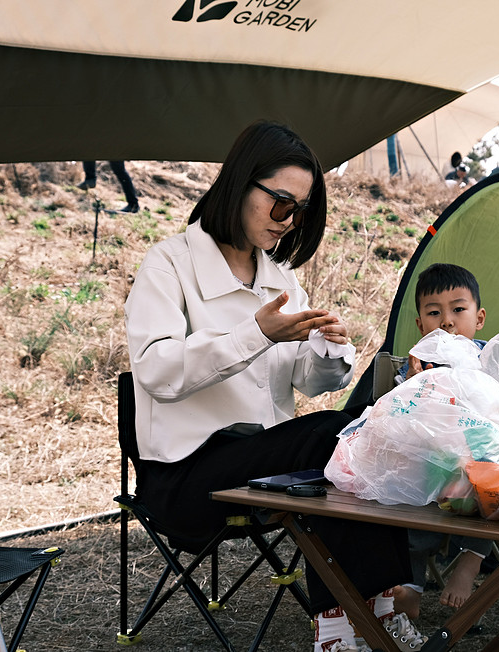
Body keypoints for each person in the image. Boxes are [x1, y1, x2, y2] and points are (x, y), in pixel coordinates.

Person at [124, 120, 426, 652]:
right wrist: (255, 332)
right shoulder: (169, 263)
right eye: (281, 203)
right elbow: (156, 371)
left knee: (361, 431)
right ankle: (346, 626)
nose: (289, 221)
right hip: (185, 477)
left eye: (301, 210)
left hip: (263, 463)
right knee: (334, 436)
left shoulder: (278, 277)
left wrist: (330, 351)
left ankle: (370, 613)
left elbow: (307, 381)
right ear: (242, 184)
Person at [390, 263, 495, 618]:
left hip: (479, 462)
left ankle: (471, 560)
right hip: (429, 463)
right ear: (421, 325)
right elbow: (399, 420)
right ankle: (412, 588)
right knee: (403, 486)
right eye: (434, 312)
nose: (447, 321)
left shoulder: (489, 361)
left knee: (496, 480)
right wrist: (413, 386)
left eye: (458, 310)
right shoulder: (416, 366)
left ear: (478, 318)